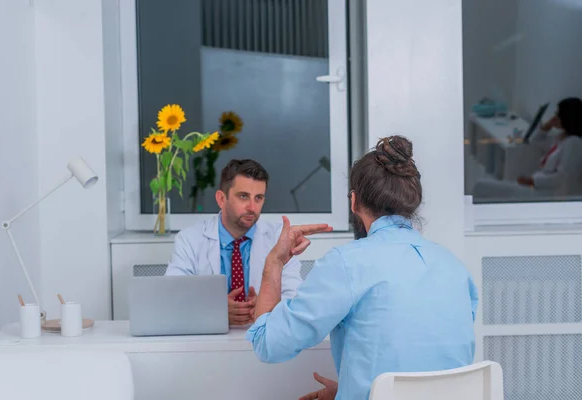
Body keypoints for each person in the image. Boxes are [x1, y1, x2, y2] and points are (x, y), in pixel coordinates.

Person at [246, 136, 478, 400]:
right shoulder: (455, 268)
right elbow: (432, 360)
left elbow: (268, 343)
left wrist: (274, 262)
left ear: (354, 201)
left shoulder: (346, 264)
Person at [165, 159, 302, 326]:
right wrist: (215, 310)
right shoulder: (189, 239)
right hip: (208, 336)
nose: (252, 207)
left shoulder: (278, 237)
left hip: (262, 333)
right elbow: (173, 297)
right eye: (243, 196)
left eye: (258, 198)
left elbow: (294, 296)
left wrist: (267, 307)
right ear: (221, 199)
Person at [474, 97, 582, 200]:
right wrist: (546, 126)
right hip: (538, 187)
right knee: (486, 180)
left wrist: (532, 181)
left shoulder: (574, 143)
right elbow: (534, 141)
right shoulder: (561, 137)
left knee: (480, 186)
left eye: (558, 114)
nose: (554, 117)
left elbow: (563, 179)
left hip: (546, 194)